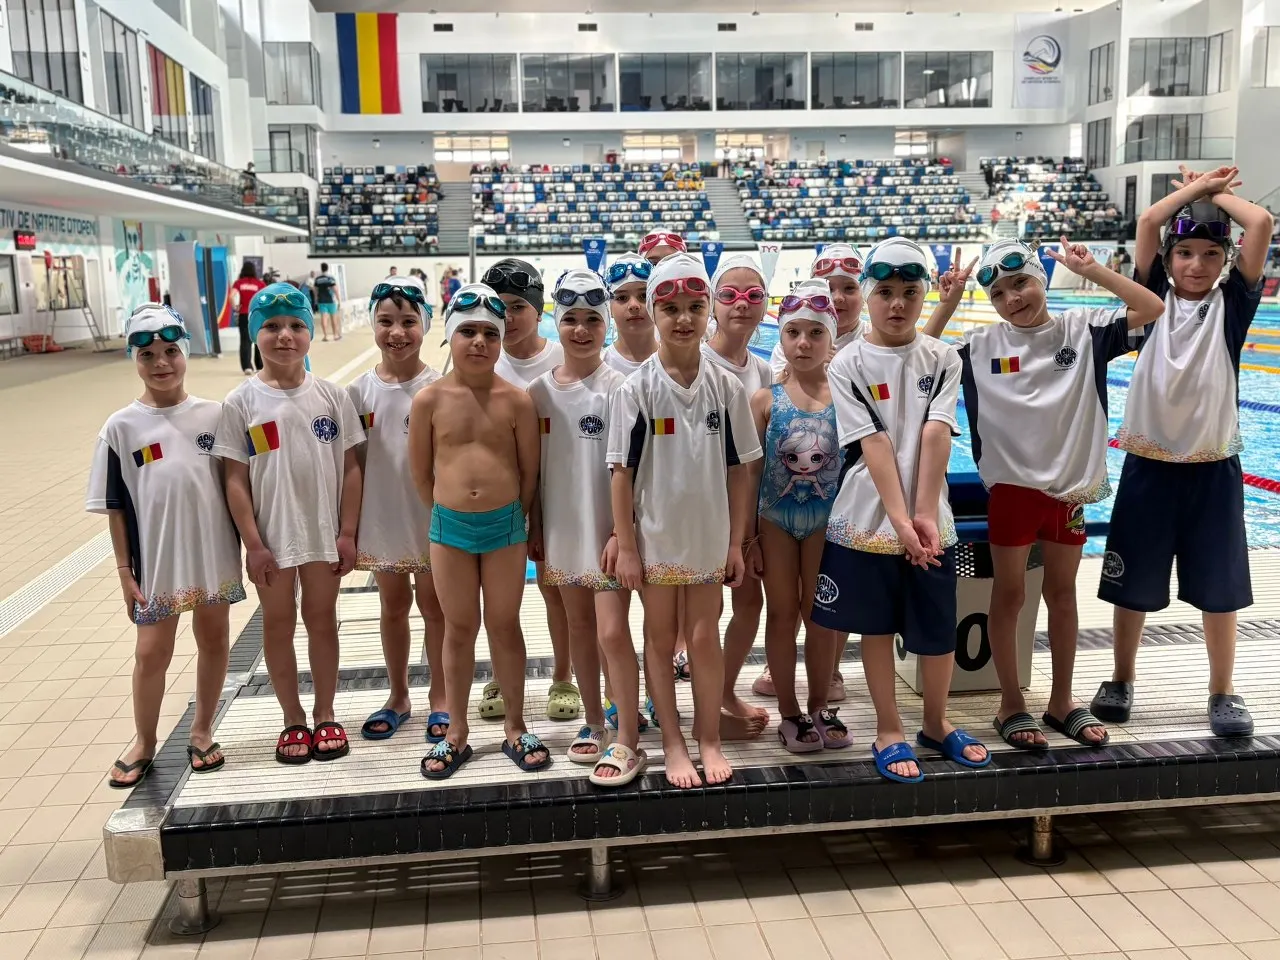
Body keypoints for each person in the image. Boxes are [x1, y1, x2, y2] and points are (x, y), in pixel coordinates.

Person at [923, 238, 1163, 750]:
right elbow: (916, 360)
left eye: (1021, 283)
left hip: (1068, 493)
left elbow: (1152, 308)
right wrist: (947, 304)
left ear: (1042, 279)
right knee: (1009, 595)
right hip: (1013, 492)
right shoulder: (980, 347)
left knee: (1062, 595)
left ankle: (1061, 700)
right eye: (999, 293)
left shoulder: (1084, 329)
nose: (1013, 298)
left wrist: (1093, 271)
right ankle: (1011, 702)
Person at [1092, 165, 1273, 737]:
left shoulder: (1233, 306)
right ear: (1168, 260)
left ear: (1226, 262)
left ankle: (1223, 690)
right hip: (1148, 468)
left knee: (1221, 590)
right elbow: (1149, 220)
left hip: (1214, 469)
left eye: (1210, 255)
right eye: (1186, 253)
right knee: (1132, 585)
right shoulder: (1148, 299)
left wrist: (1216, 193)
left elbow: (1261, 222)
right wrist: (1197, 191)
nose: (1197, 265)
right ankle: (1121, 678)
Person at [811, 238, 990, 783]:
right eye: (885, 291)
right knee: (876, 628)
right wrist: (900, 518)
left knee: (938, 627)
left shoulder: (943, 357)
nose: (897, 303)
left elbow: (937, 431)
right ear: (868, 294)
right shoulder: (848, 362)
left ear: (923, 295)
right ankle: (889, 728)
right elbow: (873, 443)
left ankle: (935, 722)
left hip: (932, 517)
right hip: (868, 517)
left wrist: (926, 515)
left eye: (910, 292)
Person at [607, 253, 763, 789]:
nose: (683, 318)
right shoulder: (635, 389)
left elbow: (740, 471)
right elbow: (621, 475)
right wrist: (628, 547)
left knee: (703, 637)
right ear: (654, 313)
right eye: (671, 308)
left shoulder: (726, 387)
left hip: (708, 537)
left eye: (695, 307)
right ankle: (672, 742)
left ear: (709, 312)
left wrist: (736, 543)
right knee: (657, 637)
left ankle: (707, 737)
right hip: (655, 539)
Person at [89, 304, 245, 787]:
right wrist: (124, 571)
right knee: (151, 652)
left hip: (213, 554)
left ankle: (202, 731)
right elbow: (116, 508)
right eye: (148, 355)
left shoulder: (215, 415)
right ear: (134, 359)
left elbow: (237, 486)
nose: (161, 363)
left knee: (214, 640)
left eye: (171, 352)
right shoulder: (120, 428)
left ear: (185, 353)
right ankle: (144, 740)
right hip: (156, 561)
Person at [215, 283, 364, 765]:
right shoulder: (240, 402)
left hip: (323, 534)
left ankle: (325, 713)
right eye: (272, 327)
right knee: (278, 625)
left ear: (310, 332)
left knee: (322, 621)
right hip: (272, 538)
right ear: (255, 334)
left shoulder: (332, 396)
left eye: (297, 325)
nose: (285, 335)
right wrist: (253, 544)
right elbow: (234, 479)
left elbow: (352, 469)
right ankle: (293, 718)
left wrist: (347, 532)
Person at [409, 283, 550, 779]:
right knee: (459, 627)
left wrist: (519, 517)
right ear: (450, 337)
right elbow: (420, 473)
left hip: (505, 527)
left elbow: (530, 473)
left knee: (505, 624)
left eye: (490, 333)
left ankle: (515, 724)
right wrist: (443, 515)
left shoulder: (517, 401)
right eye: (467, 331)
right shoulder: (428, 400)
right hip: (449, 529)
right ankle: (456, 731)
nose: (479, 342)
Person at [527, 270, 645, 786]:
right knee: (578, 628)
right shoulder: (537, 393)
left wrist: (624, 532)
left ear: (606, 326)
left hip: (608, 533)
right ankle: (594, 720)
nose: (580, 330)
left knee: (613, 632)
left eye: (592, 320)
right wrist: (535, 523)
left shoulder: (622, 388)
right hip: (561, 529)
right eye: (570, 319)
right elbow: (532, 470)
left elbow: (636, 471)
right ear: (556, 323)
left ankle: (627, 734)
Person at [348, 276, 447, 743]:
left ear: (425, 325)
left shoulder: (442, 387)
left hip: (431, 517)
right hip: (381, 517)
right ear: (373, 325)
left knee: (435, 607)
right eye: (385, 321)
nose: (397, 332)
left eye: (408, 321)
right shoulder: (356, 393)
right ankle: (398, 695)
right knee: (392, 607)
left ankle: (441, 697)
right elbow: (350, 466)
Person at [751, 284, 848, 754]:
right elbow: (748, 475)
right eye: (793, 333)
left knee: (820, 615)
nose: (803, 343)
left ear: (832, 339)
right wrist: (746, 536)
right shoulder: (764, 400)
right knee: (782, 612)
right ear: (781, 337)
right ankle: (789, 710)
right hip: (775, 521)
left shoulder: (847, 398)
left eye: (815, 333)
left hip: (827, 523)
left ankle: (819, 704)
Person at [481, 258, 578, 723]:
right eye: (499, 307)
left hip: (557, 496)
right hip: (499, 497)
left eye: (518, 306)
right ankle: (501, 674)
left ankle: (564, 674)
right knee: (498, 597)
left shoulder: (563, 357)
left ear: (539, 311)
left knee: (554, 590)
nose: (509, 317)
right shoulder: (481, 356)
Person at [703, 254, 773, 740]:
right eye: (729, 295)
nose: (741, 304)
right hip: (702, 511)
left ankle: (723, 693)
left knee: (749, 604)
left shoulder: (763, 370)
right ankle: (699, 710)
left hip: (745, 512)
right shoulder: (696, 361)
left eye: (753, 295)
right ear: (713, 303)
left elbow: (757, 458)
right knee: (702, 615)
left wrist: (749, 532)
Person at [768, 244, 864, 381]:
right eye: (829, 289)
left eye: (849, 288)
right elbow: (774, 389)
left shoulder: (874, 341)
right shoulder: (791, 345)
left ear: (864, 293)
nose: (838, 298)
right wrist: (802, 365)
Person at [603, 253, 658, 376]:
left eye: (643, 296)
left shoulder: (675, 360)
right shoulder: (599, 364)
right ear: (608, 307)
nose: (634, 305)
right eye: (622, 297)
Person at [232, 261, 266, 375]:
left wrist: (235, 307)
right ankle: (260, 366)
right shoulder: (259, 284)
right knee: (258, 340)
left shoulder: (239, 283)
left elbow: (231, 296)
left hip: (244, 314)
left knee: (245, 341)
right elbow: (265, 298)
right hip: (257, 315)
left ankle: (247, 367)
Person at [314, 263, 340, 342]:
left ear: (321, 269)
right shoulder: (330, 278)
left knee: (324, 318)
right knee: (333, 318)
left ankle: (326, 336)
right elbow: (335, 289)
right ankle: (335, 335)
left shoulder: (317, 279)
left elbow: (315, 290)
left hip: (321, 301)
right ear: (327, 268)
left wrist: (316, 300)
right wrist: (339, 300)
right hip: (331, 301)